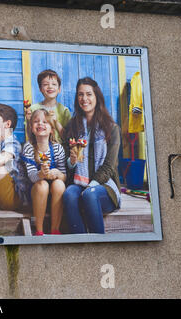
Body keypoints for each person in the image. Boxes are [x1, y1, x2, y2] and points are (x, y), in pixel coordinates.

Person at [62, 77, 122, 234]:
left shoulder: (111, 128)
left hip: (104, 187)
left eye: (89, 94)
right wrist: (72, 161)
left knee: (89, 195)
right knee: (69, 194)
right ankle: (80, 244)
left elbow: (109, 167)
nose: (84, 99)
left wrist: (91, 185)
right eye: (80, 95)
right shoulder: (72, 126)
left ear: (97, 97)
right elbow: (67, 163)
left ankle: (98, 245)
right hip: (78, 182)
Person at [22, 109, 66, 236]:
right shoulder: (29, 147)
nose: (40, 124)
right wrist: (41, 174)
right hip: (35, 194)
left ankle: (55, 229)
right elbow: (31, 177)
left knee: (59, 184)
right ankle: (39, 230)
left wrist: (58, 173)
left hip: (54, 198)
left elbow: (64, 176)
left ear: (52, 129)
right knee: (43, 185)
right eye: (36, 121)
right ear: (31, 128)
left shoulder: (57, 148)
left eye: (45, 122)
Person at [25, 69, 71, 143]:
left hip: (59, 151)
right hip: (38, 149)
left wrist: (56, 122)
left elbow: (67, 138)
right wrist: (28, 120)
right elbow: (29, 135)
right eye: (46, 84)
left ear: (59, 89)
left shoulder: (64, 111)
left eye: (54, 84)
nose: (50, 87)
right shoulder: (33, 109)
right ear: (40, 89)